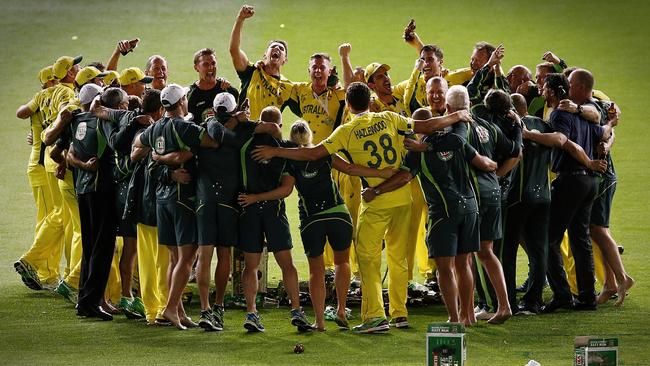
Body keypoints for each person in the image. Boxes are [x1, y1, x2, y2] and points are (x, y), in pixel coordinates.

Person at [251, 82, 472, 333]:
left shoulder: (347, 130)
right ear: (370, 100)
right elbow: (427, 125)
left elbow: (313, 154)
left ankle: (375, 317)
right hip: (403, 198)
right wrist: (457, 114)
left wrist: (275, 150)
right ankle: (399, 313)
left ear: (348, 103)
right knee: (398, 258)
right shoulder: (390, 117)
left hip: (377, 200)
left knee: (367, 259)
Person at [360, 89, 497, 326]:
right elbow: (482, 162)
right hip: (470, 208)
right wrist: (495, 166)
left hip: (444, 212)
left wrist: (376, 190)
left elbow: (403, 178)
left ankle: (454, 318)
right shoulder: (456, 139)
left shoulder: (417, 152)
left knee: (445, 268)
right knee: (464, 263)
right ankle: (469, 315)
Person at [284, 120, 397, 330]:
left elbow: (287, 189)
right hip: (339, 214)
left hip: (311, 219)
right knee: (342, 262)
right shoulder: (324, 153)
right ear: (310, 135)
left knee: (316, 271)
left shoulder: (290, 161)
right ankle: (341, 309)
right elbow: (351, 169)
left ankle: (319, 321)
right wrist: (382, 173)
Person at [503, 93, 607, 314]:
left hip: (521, 195)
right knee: (558, 244)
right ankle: (543, 299)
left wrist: (525, 135)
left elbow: (561, 141)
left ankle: (514, 302)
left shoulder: (514, 127)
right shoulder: (545, 124)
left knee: (515, 248)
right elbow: (600, 129)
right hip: (546, 195)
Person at [133, 84, 223, 329]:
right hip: (182, 199)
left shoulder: (155, 127)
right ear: (182, 100)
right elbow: (212, 142)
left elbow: (136, 148)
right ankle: (170, 308)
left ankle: (179, 313)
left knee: (175, 259)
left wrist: (161, 158)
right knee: (187, 257)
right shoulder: (183, 127)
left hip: (162, 199)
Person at [543, 71, 617, 313]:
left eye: (544, 88)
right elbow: (603, 134)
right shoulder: (586, 115)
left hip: (571, 180)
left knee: (549, 240)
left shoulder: (560, 114)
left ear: (554, 91)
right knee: (580, 238)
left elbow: (564, 142)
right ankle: (586, 297)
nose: (542, 91)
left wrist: (530, 134)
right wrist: (610, 125)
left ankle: (562, 295)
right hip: (589, 184)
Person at [54, 85, 125, 320]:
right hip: (102, 189)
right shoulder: (105, 122)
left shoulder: (77, 120)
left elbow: (60, 151)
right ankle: (90, 303)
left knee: (89, 246)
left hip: (83, 189)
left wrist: (73, 164)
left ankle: (84, 300)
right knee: (102, 249)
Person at [13, 65, 58, 290]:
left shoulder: (44, 99)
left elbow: (23, 113)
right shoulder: (47, 98)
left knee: (51, 217)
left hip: (42, 165)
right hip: (42, 167)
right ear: (49, 83)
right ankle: (44, 272)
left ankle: (44, 270)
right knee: (52, 218)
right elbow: (21, 113)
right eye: (54, 80)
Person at [229, 4, 293, 119]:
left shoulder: (288, 88)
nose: (277, 48)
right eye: (273, 46)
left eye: (281, 49)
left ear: (284, 60)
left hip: (268, 136)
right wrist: (240, 19)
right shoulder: (250, 71)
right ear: (265, 55)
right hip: (244, 133)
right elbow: (234, 50)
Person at [187, 48, 239, 124]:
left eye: (213, 63)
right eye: (205, 64)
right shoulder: (189, 96)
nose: (210, 67)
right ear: (196, 68)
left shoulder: (229, 91)